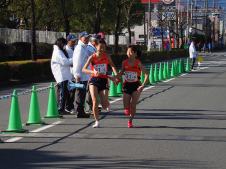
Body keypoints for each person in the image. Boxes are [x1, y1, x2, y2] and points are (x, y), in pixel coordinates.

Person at [82, 39, 118, 128]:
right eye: (100, 47)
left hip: (104, 80)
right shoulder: (92, 57)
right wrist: (92, 72)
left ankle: (106, 103)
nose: (102, 49)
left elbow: (112, 65)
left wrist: (116, 76)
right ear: (96, 46)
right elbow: (83, 69)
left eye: (104, 48)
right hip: (94, 80)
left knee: (104, 103)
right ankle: (97, 121)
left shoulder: (107, 56)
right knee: (95, 101)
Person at [116, 45, 149, 128]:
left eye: (130, 52)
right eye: (127, 52)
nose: (128, 53)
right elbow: (121, 72)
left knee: (133, 105)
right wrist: (117, 79)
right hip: (127, 85)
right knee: (126, 106)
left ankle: (130, 121)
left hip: (136, 85)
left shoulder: (138, 63)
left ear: (135, 53)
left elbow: (146, 74)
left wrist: (142, 85)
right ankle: (127, 110)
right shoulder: (124, 62)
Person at [51, 37, 73, 115]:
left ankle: (63, 108)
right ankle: (60, 109)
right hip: (61, 75)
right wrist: (74, 59)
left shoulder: (59, 51)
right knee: (62, 93)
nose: (65, 46)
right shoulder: (57, 52)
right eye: (64, 44)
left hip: (64, 75)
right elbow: (65, 62)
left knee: (65, 93)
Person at [73, 31, 91, 118]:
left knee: (82, 93)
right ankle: (79, 111)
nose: (87, 39)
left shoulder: (84, 47)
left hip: (84, 75)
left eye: (88, 37)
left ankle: (80, 110)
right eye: (85, 37)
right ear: (80, 38)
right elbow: (77, 62)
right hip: (80, 76)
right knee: (80, 93)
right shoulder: (80, 48)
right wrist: (77, 75)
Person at [85, 34, 101, 114]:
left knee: (95, 91)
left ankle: (94, 107)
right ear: (93, 41)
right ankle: (90, 108)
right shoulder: (88, 48)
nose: (98, 41)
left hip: (95, 72)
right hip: (90, 72)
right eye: (97, 40)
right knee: (90, 91)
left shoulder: (94, 48)